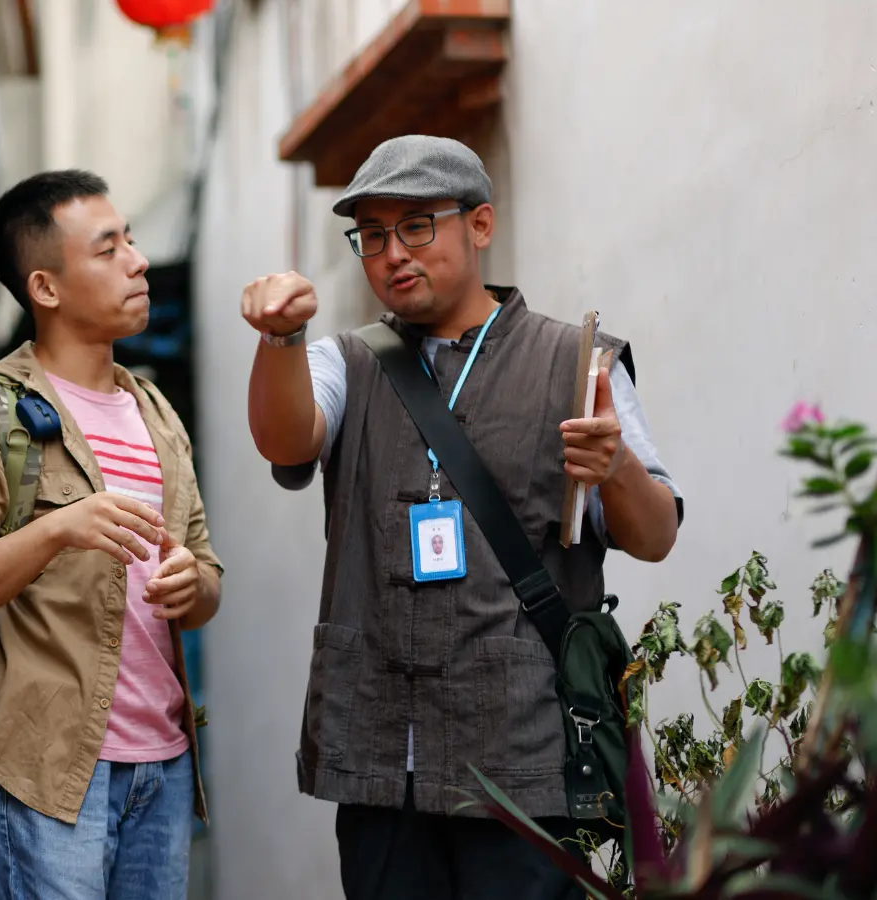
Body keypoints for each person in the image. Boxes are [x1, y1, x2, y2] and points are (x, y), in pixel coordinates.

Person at [240, 135, 683, 899]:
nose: (391, 254)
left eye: (417, 226)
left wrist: (615, 467)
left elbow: (656, 537)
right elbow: (285, 436)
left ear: (480, 225)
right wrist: (281, 337)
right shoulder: (345, 360)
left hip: (524, 758)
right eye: (372, 235)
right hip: (380, 758)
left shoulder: (578, 363)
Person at [0, 170, 224, 899]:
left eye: (132, 241)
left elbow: (207, 576)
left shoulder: (155, 411)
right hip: (45, 763)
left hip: (165, 762)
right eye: (109, 248)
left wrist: (195, 583)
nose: (138, 261)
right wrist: (60, 529)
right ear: (46, 288)